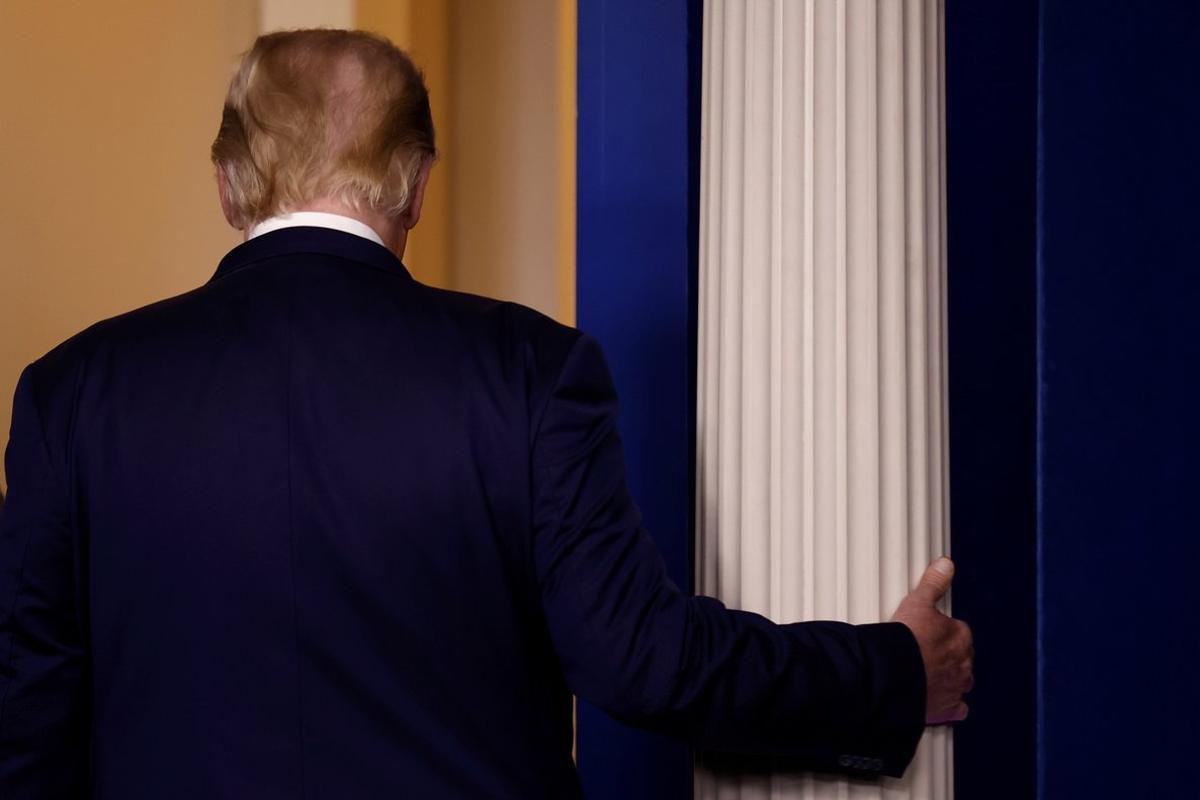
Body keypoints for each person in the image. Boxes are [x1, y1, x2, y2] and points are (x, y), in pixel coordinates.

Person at [0, 29, 972, 798]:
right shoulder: (531, 370)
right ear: (418, 185)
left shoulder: (69, 392)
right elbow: (641, 659)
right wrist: (887, 669)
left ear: (226, 183)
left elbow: (27, 721)